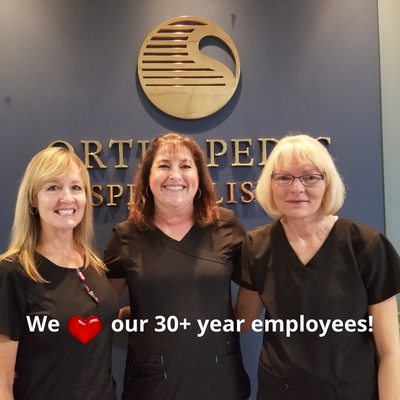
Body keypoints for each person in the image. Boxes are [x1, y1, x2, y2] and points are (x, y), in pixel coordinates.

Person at [235, 133, 400, 400]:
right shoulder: (257, 246)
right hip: (281, 392)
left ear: (327, 183)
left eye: (310, 177)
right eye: (284, 177)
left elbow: (390, 350)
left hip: (350, 392)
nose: (296, 188)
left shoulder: (366, 246)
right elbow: (242, 321)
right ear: (271, 184)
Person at [104, 132, 250, 400]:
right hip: (153, 384)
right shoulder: (126, 236)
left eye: (185, 166)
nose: (175, 175)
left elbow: (251, 293)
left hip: (220, 380)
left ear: (199, 176)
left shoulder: (227, 226)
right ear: (148, 178)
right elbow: (102, 308)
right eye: (163, 166)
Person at [0, 146, 118, 400]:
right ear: (33, 199)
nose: (67, 198)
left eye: (76, 188)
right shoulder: (12, 272)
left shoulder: (93, 265)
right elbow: (2, 383)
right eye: (53, 187)